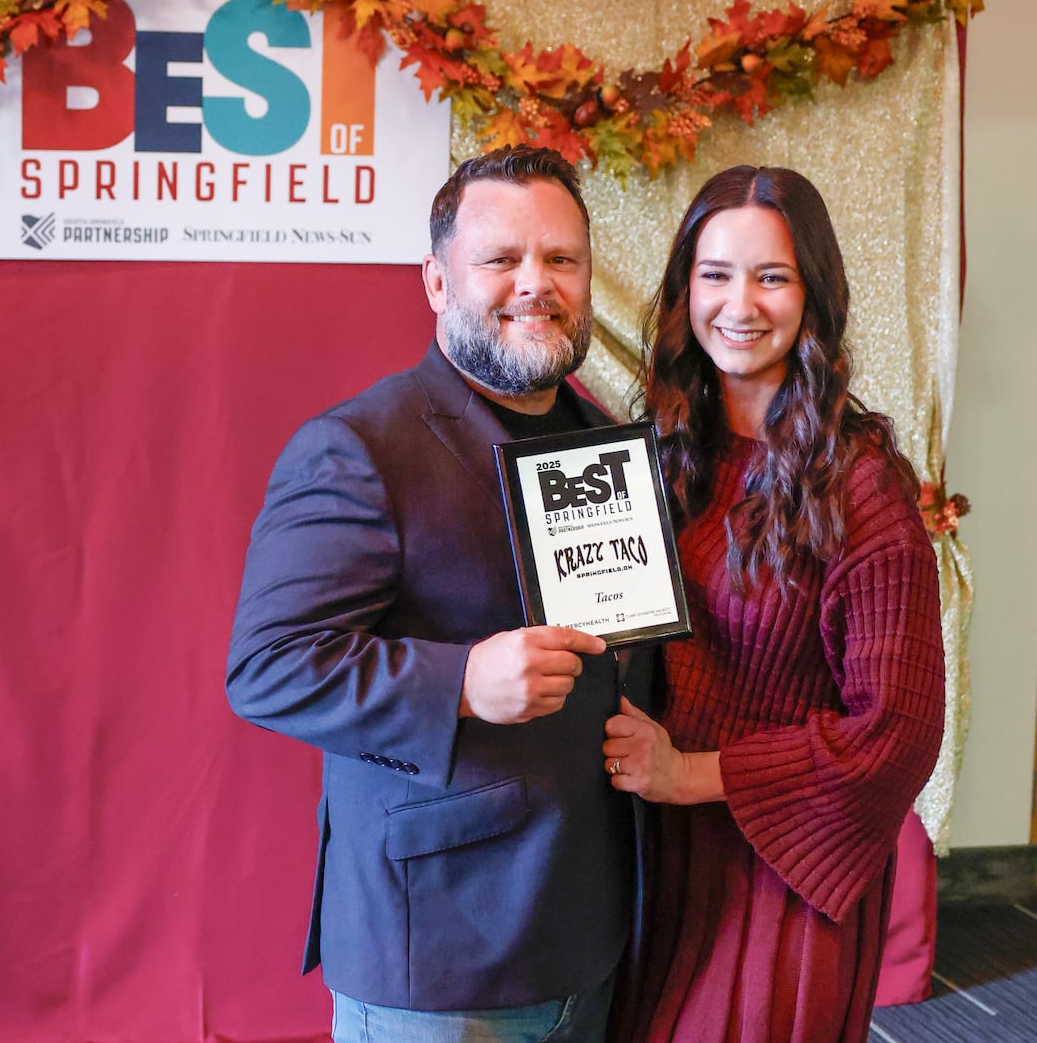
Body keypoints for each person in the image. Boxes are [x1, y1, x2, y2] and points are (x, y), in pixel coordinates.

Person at [226, 146, 652, 1043]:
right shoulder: (358, 446)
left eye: (561, 259)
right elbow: (266, 668)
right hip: (440, 954)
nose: (535, 283)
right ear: (435, 279)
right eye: (501, 259)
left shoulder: (609, 443)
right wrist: (459, 680)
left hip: (595, 926)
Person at [603, 165, 946, 1043]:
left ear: (812, 296)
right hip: (655, 860)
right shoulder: (666, 447)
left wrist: (691, 774)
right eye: (715, 274)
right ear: (685, 288)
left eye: (772, 276)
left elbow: (897, 730)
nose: (739, 303)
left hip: (782, 875)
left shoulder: (860, 487)